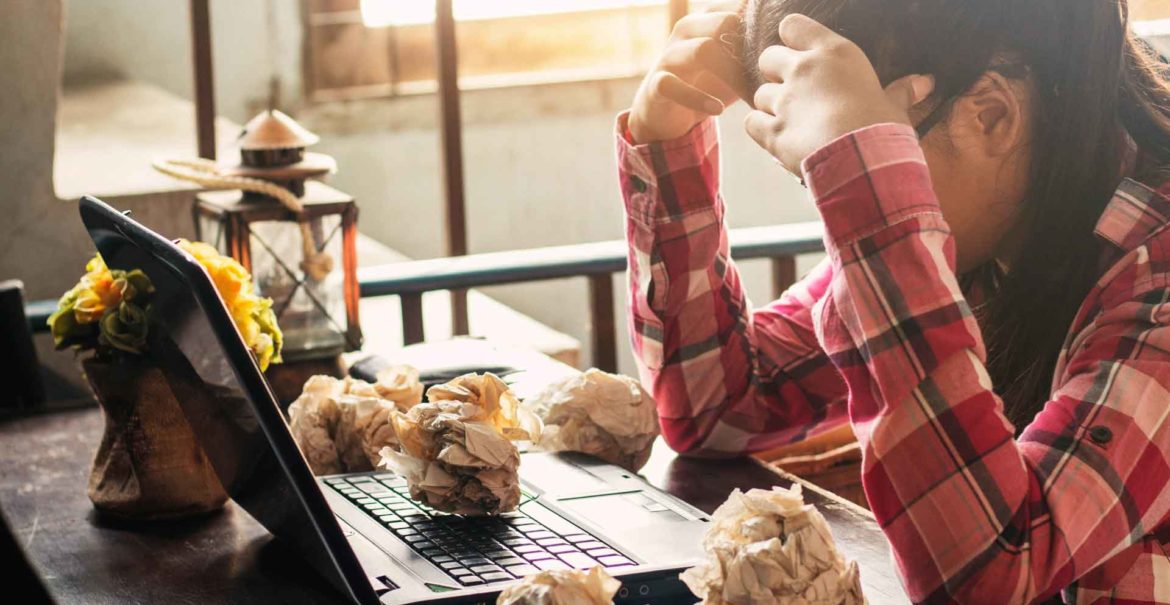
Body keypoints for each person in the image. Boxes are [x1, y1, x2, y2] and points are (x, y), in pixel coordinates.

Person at [616, 0, 1170, 602]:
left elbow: (986, 577)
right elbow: (719, 409)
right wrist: (666, 144)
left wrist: (873, 197)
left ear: (990, 115)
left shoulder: (1156, 283)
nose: (833, 207)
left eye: (871, 162)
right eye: (819, 179)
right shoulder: (982, 240)